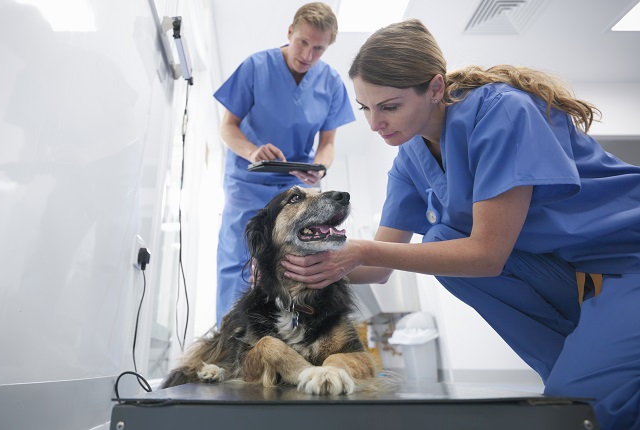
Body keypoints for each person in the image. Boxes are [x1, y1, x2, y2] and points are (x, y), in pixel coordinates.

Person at [280, 18, 640, 430]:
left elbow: (487, 255)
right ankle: (577, 365)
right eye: (365, 107)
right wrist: (292, 267)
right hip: (575, 276)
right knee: (442, 241)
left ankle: (585, 373)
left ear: (435, 88)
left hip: (629, 263)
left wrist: (358, 249)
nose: (374, 123)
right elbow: (378, 268)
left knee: (582, 410)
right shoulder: (410, 159)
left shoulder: (502, 111)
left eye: (390, 106)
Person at [213, 2, 355, 324]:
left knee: (296, 262)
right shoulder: (255, 67)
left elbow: (328, 143)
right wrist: (252, 151)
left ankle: (290, 340)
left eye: (318, 48)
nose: (307, 54)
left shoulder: (331, 83)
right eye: (302, 42)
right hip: (247, 182)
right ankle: (232, 339)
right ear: (290, 32)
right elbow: (227, 127)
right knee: (239, 260)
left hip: (295, 191)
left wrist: (319, 167)